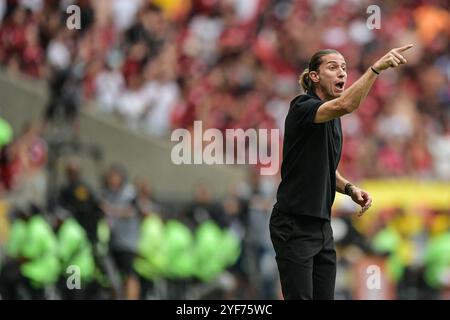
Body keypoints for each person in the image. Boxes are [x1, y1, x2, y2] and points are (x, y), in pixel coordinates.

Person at [270, 44, 413, 300]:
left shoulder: (332, 118)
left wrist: (350, 189)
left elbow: (326, 168)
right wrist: (375, 69)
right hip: (293, 223)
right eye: (333, 67)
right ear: (314, 76)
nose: (342, 73)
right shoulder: (302, 107)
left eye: (345, 68)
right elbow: (347, 104)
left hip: (322, 226)